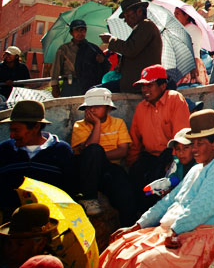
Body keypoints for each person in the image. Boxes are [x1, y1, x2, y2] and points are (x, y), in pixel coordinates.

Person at [102, 110, 214, 268]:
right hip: (181, 228)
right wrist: (138, 225)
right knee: (119, 249)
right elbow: (170, 199)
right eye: (193, 144)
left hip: (204, 231)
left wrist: (175, 230)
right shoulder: (197, 168)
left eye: (199, 143)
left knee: (146, 262)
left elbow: (204, 206)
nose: (194, 149)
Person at [126, 64, 191, 213]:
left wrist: (174, 163)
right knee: (134, 180)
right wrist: (131, 164)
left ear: (162, 86)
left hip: (171, 155)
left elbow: (181, 137)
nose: (145, 90)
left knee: (158, 185)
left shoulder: (174, 99)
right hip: (149, 157)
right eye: (143, 86)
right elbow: (135, 142)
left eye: (150, 85)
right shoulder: (141, 108)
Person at [70, 88, 135, 223]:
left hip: (109, 167)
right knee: (94, 149)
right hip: (86, 171)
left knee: (125, 193)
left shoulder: (118, 123)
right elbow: (88, 150)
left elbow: (123, 151)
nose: (92, 110)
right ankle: (89, 198)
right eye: (90, 107)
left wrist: (99, 158)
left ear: (107, 108)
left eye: (97, 107)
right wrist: (97, 125)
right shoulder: (80, 125)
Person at [0, 101, 73, 194]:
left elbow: (70, 188)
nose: (11, 136)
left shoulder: (61, 151)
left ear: (36, 127)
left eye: (16, 130)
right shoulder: (5, 150)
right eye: (11, 130)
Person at [99, 0, 162, 93]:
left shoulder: (146, 25)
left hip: (140, 84)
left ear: (140, 11)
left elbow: (131, 49)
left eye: (128, 15)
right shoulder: (141, 28)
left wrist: (111, 40)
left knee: (97, 91)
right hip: (134, 83)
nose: (126, 20)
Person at [49, 20, 110, 98]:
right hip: (70, 85)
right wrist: (54, 86)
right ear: (71, 33)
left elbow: (107, 66)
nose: (80, 33)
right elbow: (55, 69)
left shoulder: (92, 48)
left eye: (82, 30)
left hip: (88, 85)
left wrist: (102, 61)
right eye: (77, 30)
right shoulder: (64, 49)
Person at [0, 204, 61, 268]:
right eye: (9, 243)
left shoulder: (51, 265)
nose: (12, 250)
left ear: (41, 243)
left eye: (20, 244)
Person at [143, 128, 196, 199]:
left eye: (186, 147)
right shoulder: (177, 165)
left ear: (195, 148)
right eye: (177, 149)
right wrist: (167, 191)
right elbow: (170, 180)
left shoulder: (201, 166)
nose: (181, 152)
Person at [173, 7, 209, 86]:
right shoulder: (181, 29)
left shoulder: (193, 29)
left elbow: (195, 50)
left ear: (186, 16)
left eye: (177, 14)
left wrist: (193, 67)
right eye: (174, 13)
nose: (175, 16)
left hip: (191, 66)